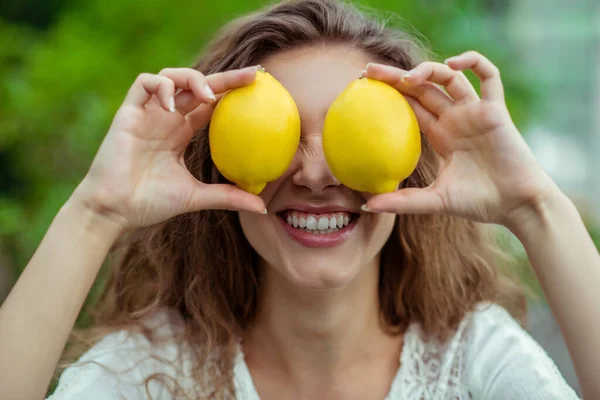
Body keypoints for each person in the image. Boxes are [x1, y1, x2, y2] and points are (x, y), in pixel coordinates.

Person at [0, 0, 598, 399]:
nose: (314, 173)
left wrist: (533, 206)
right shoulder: (152, 373)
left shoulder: (473, 364)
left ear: (410, 171)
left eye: (349, 136)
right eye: (282, 135)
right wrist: (96, 211)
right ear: (220, 166)